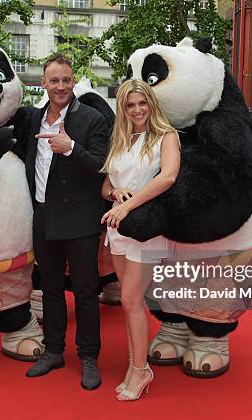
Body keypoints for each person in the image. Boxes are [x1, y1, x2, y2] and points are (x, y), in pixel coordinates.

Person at [16, 54, 109, 390]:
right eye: (54, 80)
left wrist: (70, 148)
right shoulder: (34, 120)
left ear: (73, 82)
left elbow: (102, 165)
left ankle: (88, 357)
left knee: (85, 291)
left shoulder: (92, 120)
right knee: (50, 287)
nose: (60, 87)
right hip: (43, 215)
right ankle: (54, 350)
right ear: (44, 83)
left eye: (66, 80)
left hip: (81, 218)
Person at [100, 79, 180, 401]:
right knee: (128, 301)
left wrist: (129, 204)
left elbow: (169, 176)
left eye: (142, 103)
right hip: (118, 229)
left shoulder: (166, 136)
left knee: (131, 299)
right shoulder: (120, 139)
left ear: (152, 104)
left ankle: (139, 369)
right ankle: (137, 366)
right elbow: (105, 186)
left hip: (146, 229)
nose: (137, 110)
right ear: (123, 107)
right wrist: (116, 193)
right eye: (130, 104)